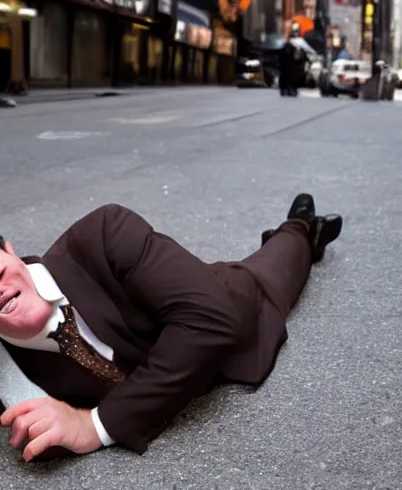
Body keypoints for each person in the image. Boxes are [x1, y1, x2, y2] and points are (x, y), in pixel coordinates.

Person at [0, 194, 342, 461]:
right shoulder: (6, 367)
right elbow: (35, 436)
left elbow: (211, 321)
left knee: (281, 261)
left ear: (9, 250)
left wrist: (96, 425)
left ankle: (300, 226)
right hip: (180, 311)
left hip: (230, 305)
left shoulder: (102, 234)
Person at [279, 22, 307, 97]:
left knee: (294, 73)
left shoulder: (299, 41)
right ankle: (285, 88)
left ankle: (292, 88)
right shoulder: (285, 42)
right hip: (287, 60)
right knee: (286, 73)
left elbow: (304, 49)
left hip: (293, 61)